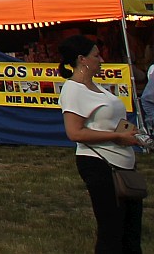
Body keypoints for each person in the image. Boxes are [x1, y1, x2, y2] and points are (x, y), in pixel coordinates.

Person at [59, 35, 144, 254]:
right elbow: (74, 132)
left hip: (122, 162)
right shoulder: (73, 89)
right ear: (82, 59)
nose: (102, 60)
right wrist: (116, 138)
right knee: (111, 230)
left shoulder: (98, 88)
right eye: (96, 55)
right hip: (99, 163)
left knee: (131, 231)